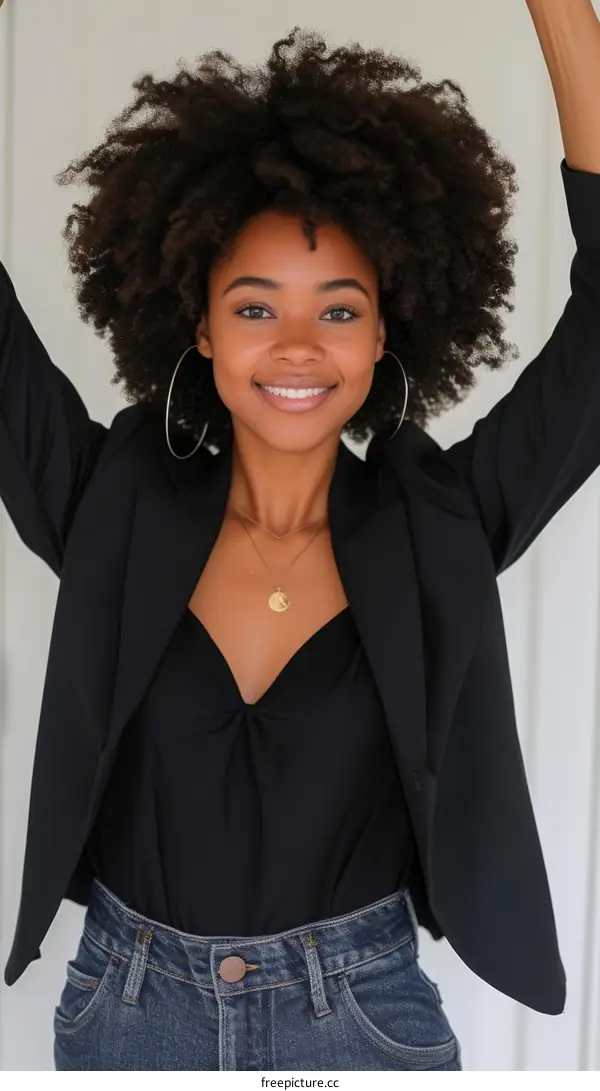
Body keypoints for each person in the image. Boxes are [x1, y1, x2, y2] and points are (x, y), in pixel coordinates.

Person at [2, 12, 600, 1072]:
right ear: (199, 325)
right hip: (126, 1017)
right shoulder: (110, 503)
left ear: (386, 331)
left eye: (338, 310)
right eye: (253, 305)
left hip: (360, 1022)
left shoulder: (439, 524)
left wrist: (562, 14)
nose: (294, 346)